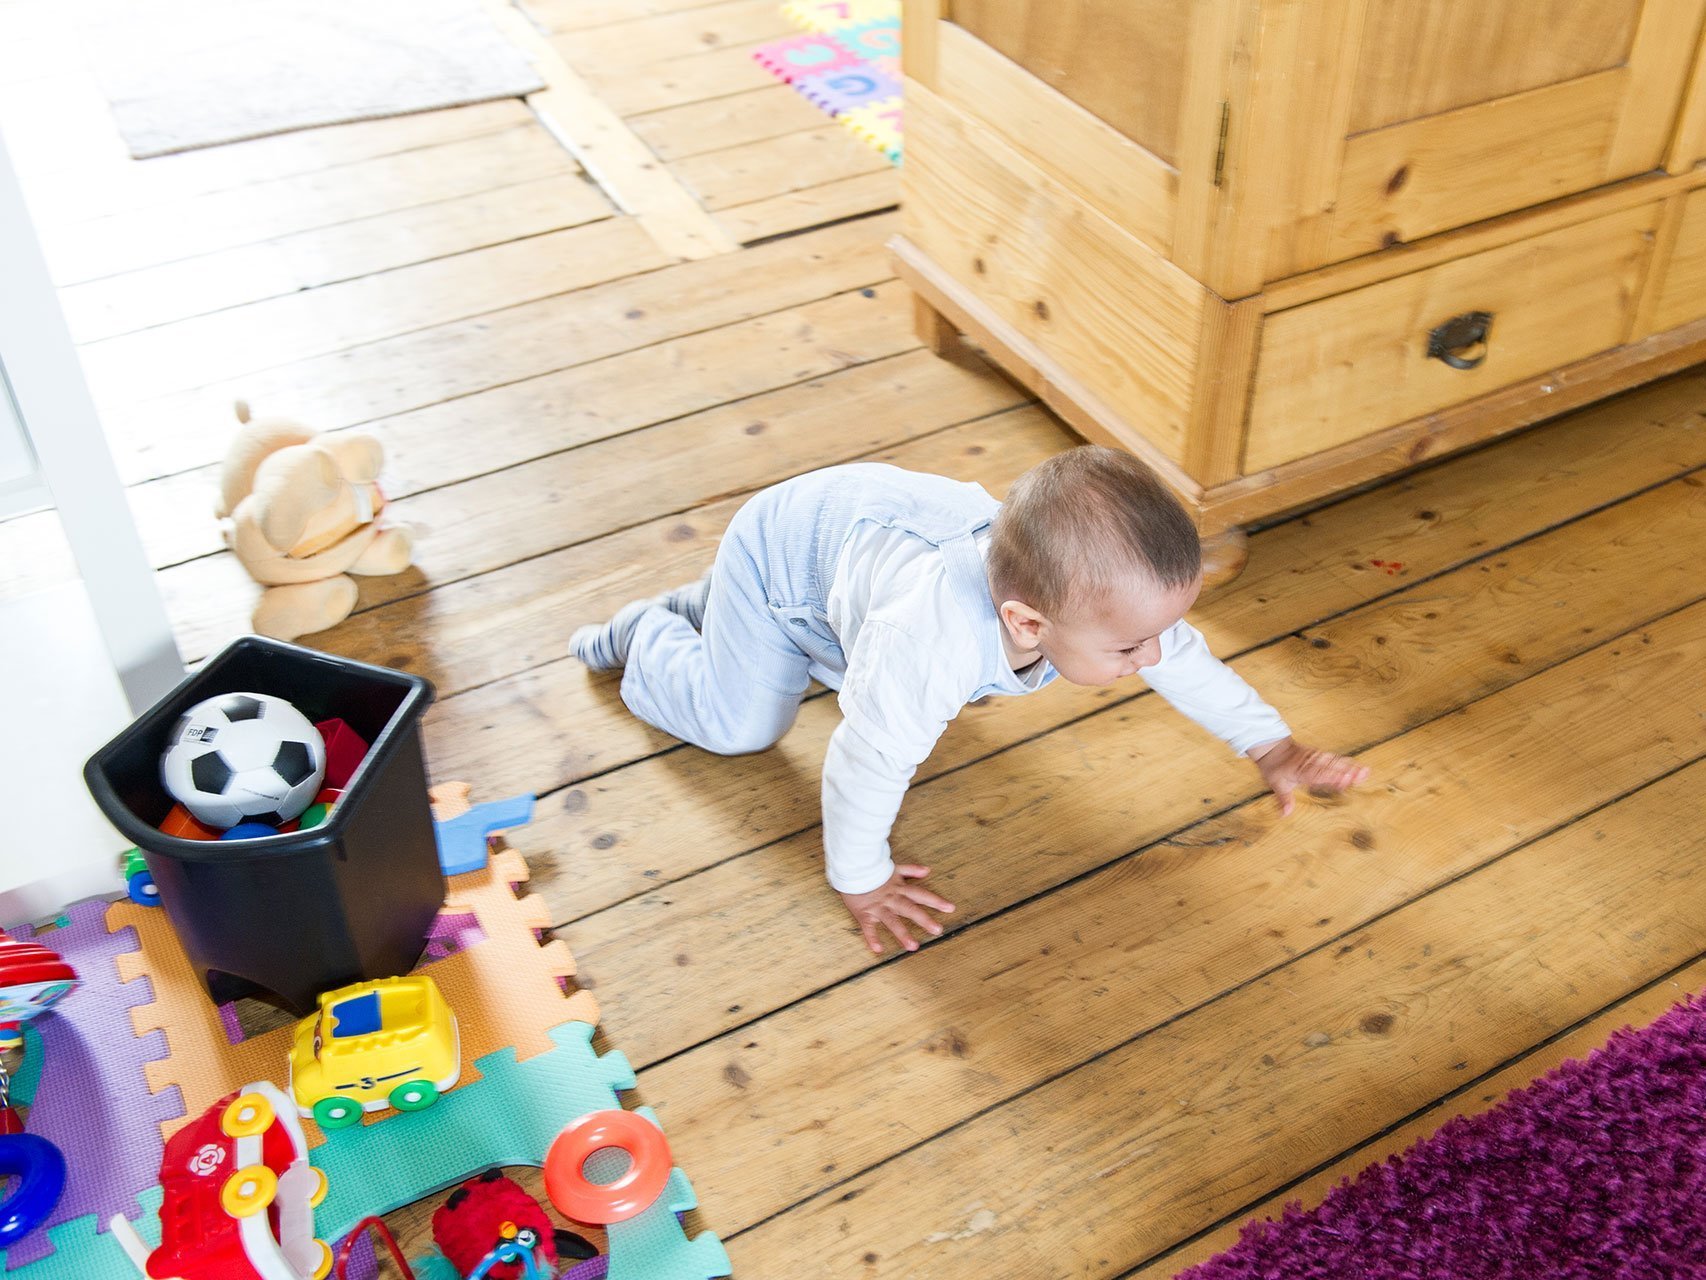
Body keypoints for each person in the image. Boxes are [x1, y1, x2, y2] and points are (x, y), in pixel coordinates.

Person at [571, 446, 1369, 955]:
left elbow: (1184, 662)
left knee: (839, 662)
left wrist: (1271, 746)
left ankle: (716, 612)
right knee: (742, 723)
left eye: (1160, 631)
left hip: (845, 541)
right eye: (1129, 648)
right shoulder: (931, 640)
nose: (1152, 655)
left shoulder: (1075, 598)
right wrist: (861, 876)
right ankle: (648, 636)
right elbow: (866, 760)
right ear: (1025, 621)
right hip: (788, 565)